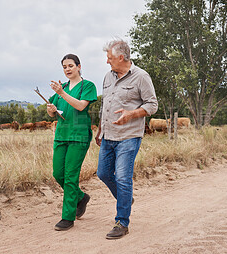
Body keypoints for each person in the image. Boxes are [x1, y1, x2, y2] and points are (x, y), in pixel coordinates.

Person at [95, 39, 158, 239]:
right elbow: (105, 105)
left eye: (110, 58)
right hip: (108, 136)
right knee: (103, 174)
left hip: (129, 137)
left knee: (122, 178)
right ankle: (126, 198)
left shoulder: (141, 77)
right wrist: (99, 130)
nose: (107, 61)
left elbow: (152, 105)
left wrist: (131, 114)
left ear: (121, 57)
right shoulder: (107, 77)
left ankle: (122, 222)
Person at [47, 54, 97, 231]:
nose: (67, 69)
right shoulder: (63, 88)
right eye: (64, 67)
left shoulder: (87, 86)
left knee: (70, 177)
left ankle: (67, 217)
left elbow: (80, 106)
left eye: (70, 66)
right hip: (61, 135)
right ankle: (81, 197)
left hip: (78, 135)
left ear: (78, 66)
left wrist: (61, 93)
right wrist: (51, 109)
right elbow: (52, 112)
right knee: (58, 174)